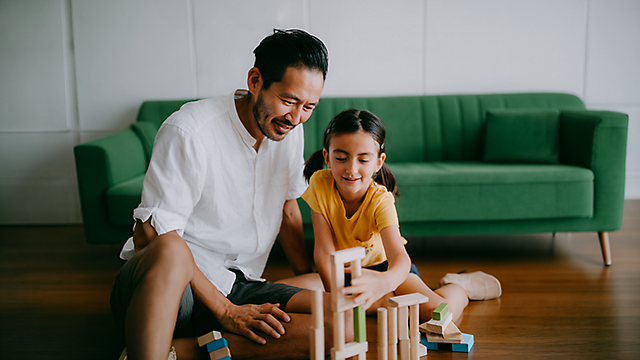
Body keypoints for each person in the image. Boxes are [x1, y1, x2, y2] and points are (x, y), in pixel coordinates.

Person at [110, 29, 342, 360]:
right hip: (177, 290)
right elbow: (149, 235)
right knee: (173, 249)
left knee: (339, 324)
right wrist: (226, 312)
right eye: (288, 101)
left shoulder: (290, 130)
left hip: (239, 284)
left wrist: (305, 276)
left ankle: (175, 351)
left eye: (308, 106)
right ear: (255, 80)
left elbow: (289, 209)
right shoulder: (190, 129)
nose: (295, 117)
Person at [277, 109, 502, 323]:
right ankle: (379, 302)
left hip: (388, 271)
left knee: (442, 313)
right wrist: (333, 300)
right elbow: (324, 253)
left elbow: (400, 258)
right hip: (343, 275)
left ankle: (458, 285)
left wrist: (384, 282)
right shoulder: (319, 184)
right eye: (341, 158)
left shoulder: (381, 200)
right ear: (327, 157)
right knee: (277, 292)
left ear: (378, 162)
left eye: (363, 160)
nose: (351, 170)